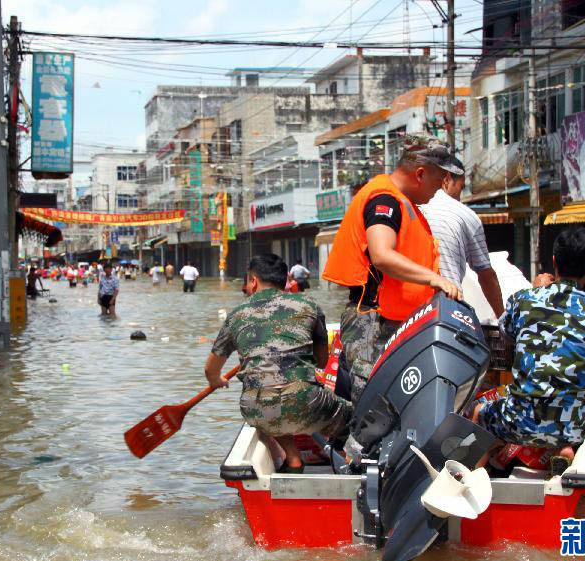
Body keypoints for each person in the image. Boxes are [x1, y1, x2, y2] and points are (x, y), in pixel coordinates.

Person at [472, 227, 585, 473]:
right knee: (569, 417)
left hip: (518, 424)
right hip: (571, 427)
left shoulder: (524, 300)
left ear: (554, 261)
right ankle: (565, 450)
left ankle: (472, 482)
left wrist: (536, 292)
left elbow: (507, 332)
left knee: (480, 413)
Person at [322, 135, 463, 405]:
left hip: (396, 322)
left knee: (399, 402)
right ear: (421, 174)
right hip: (374, 323)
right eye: (439, 179)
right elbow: (382, 254)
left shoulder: (405, 202)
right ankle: (355, 449)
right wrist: (435, 279)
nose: (441, 188)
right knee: (373, 404)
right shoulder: (384, 200)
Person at [205, 254, 351, 473]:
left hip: (255, 408)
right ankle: (347, 459)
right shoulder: (309, 306)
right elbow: (322, 363)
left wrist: (217, 380)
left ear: (253, 281)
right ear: (286, 281)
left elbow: (210, 369)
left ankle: (293, 459)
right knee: (355, 418)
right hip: (305, 403)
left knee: (270, 401)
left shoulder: (236, 315)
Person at [419, 157, 505, 317]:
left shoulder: (411, 206)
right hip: (447, 308)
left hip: (405, 312)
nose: (460, 195)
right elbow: (486, 275)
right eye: (461, 187)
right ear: (447, 179)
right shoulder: (466, 215)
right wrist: (502, 319)